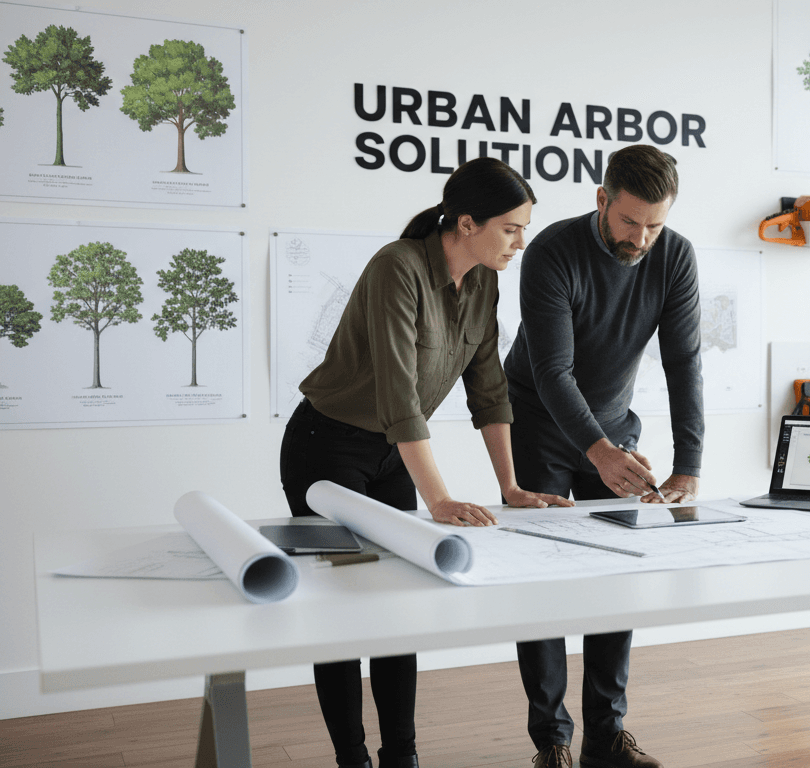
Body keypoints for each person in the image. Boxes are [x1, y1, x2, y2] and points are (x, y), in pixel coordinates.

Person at [279, 157, 572, 768]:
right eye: (511, 228)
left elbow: (489, 387)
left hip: (392, 457)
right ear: (466, 222)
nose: (521, 241)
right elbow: (398, 396)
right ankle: (353, 759)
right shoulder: (398, 267)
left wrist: (511, 486)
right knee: (343, 611)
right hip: (327, 450)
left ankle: (402, 758)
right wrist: (438, 500)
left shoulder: (485, 280)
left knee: (399, 607)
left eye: (524, 229)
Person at [503, 144, 703, 768]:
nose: (641, 238)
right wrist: (597, 453)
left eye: (654, 224)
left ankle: (607, 736)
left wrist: (688, 462)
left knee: (617, 573)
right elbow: (553, 371)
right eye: (629, 222)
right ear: (601, 201)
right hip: (538, 425)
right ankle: (552, 743)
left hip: (614, 429)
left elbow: (683, 362)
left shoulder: (674, 256)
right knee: (544, 582)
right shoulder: (552, 252)